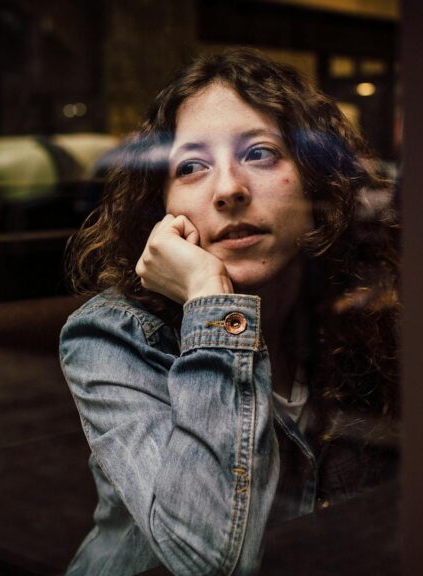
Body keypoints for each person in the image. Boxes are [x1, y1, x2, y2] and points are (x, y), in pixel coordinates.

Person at [60, 48, 399, 576]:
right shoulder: (110, 335)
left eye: (260, 154)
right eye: (191, 167)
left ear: (317, 182)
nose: (228, 189)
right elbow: (209, 558)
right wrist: (209, 300)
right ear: (162, 206)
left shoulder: (346, 311)